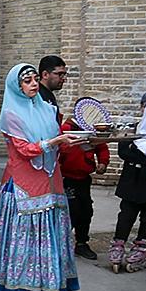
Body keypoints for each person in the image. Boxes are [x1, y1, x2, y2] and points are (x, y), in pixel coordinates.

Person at [0, 63, 82, 291]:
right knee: (27, 240)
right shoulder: (11, 114)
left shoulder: (47, 109)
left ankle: (47, 290)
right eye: (26, 81)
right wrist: (55, 141)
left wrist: (80, 141)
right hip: (24, 185)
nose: (33, 84)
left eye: (34, 79)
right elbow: (24, 150)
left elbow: (58, 147)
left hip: (51, 183)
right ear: (16, 86)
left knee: (49, 238)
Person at [59, 100, 110, 261]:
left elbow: (102, 147)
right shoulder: (65, 129)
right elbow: (57, 149)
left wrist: (103, 163)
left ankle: (81, 243)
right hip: (66, 178)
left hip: (84, 179)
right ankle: (62, 244)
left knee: (86, 211)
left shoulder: (93, 131)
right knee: (70, 211)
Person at [111, 91, 146, 273]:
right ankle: (118, 243)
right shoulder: (135, 129)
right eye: (144, 106)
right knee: (126, 213)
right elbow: (124, 151)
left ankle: (140, 246)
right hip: (131, 179)